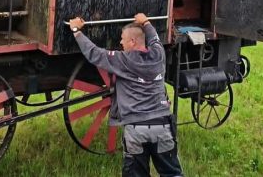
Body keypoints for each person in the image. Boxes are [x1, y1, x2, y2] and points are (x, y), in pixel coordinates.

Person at [67, 13, 185, 177]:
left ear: (132, 42)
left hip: (136, 129)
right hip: (162, 127)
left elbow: (94, 54)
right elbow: (154, 39)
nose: (120, 43)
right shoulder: (159, 54)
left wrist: (76, 31)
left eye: (123, 39)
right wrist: (146, 22)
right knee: (172, 174)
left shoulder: (123, 60)